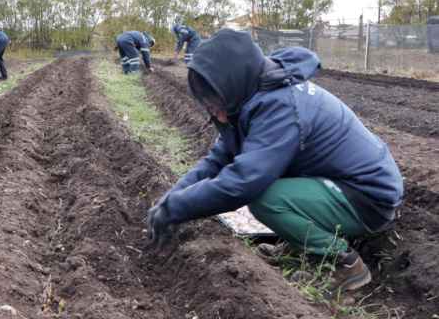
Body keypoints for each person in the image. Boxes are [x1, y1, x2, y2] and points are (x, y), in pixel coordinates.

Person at [146, 28, 403, 297]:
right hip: (338, 182)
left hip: (368, 196)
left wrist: (175, 208)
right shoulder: (256, 94)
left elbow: (243, 183)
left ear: (232, 84)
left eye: (216, 105)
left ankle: (346, 263)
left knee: (265, 197)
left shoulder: (279, 107)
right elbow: (218, 159)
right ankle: (300, 242)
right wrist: (171, 198)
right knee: (270, 178)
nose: (216, 114)